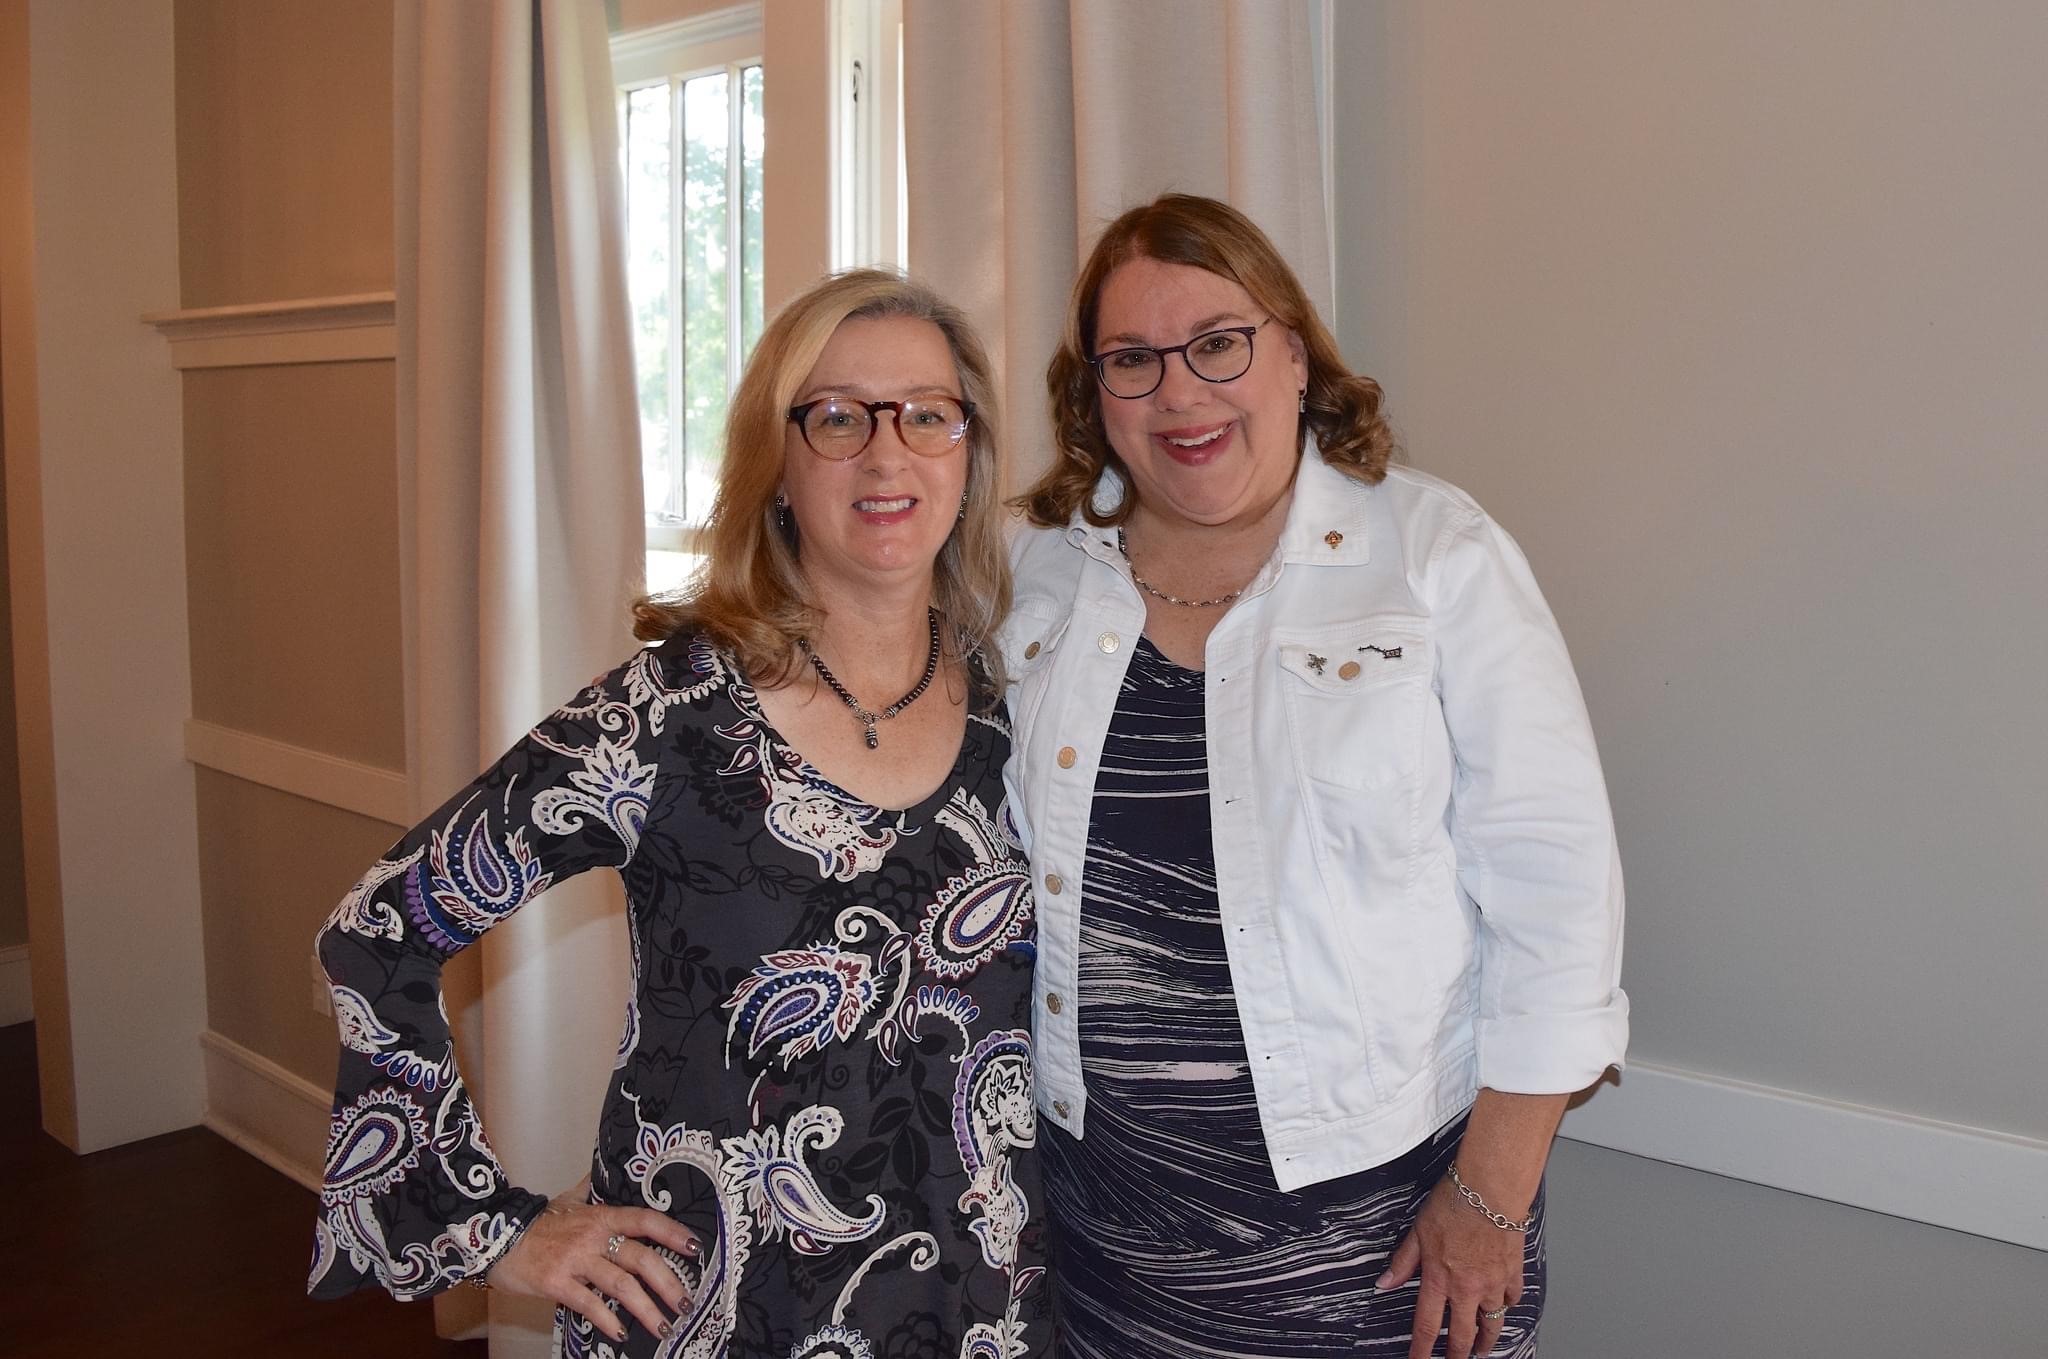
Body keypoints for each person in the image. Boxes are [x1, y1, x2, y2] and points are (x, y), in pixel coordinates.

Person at [310, 270, 1048, 1358]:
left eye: (926, 414)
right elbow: (376, 934)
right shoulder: (665, 715)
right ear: (776, 462)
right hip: (715, 1308)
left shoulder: (1013, 695)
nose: (887, 454)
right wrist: (496, 1229)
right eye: (837, 417)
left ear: (968, 451)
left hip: (972, 1302)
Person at [1000, 194, 1627, 1359]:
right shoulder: (1035, 566)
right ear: (1092, 392)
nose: (1178, 392)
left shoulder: (1434, 556)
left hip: (1390, 1235)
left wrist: (1490, 1201)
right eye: (1131, 359)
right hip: (1104, 1233)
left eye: (1217, 343)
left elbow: (1556, 899)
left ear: (1292, 353)